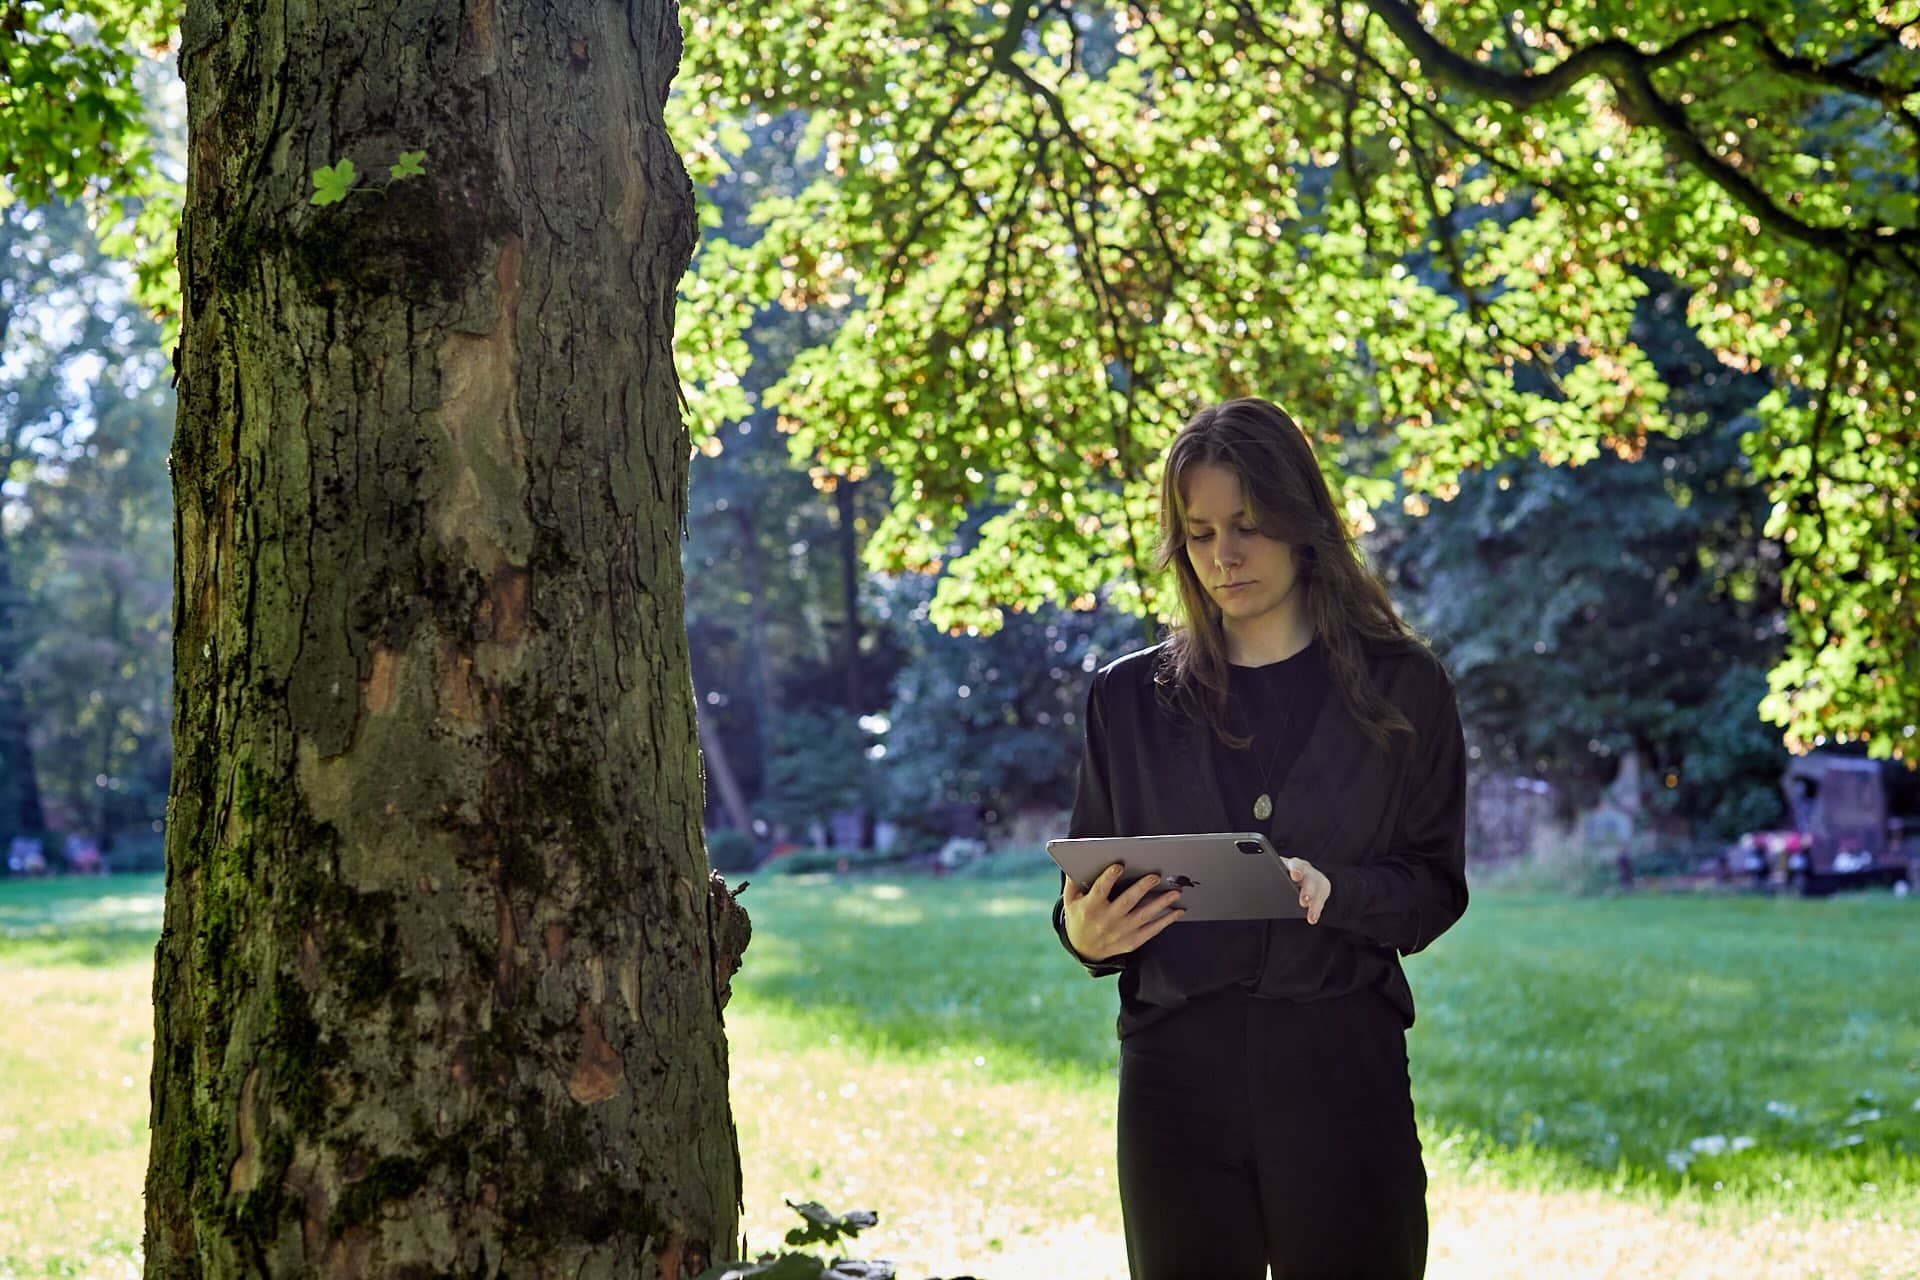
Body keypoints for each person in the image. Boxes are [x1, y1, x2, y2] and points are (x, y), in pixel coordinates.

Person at [1054, 397, 1468, 1279]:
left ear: (1302, 520)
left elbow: (1436, 887)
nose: (1224, 557)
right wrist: (1083, 936)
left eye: (1247, 525)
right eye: (1199, 534)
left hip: (1340, 1064)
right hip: (1175, 1078)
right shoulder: (1124, 700)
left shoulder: (1408, 688)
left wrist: (1339, 892)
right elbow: (1086, 884)